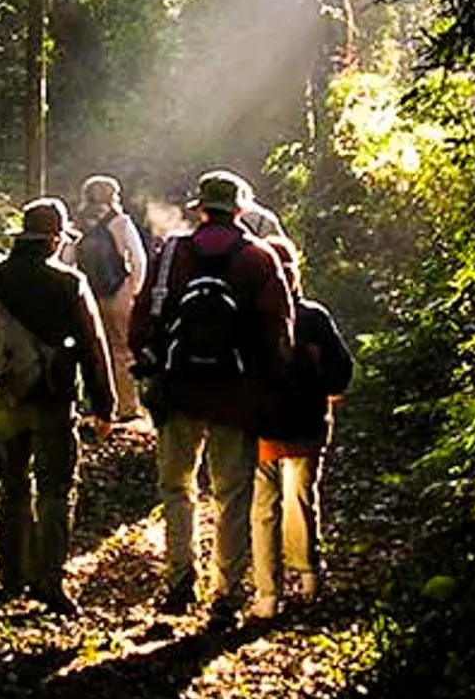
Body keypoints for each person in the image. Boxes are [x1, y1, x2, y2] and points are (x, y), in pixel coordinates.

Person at [131, 170, 295, 622]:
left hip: (178, 388)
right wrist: (271, 392)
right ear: (241, 209)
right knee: (233, 494)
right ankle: (225, 592)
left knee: (177, 487)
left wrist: (149, 367)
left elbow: (143, 318)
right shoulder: (260, 258)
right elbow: (279, 331)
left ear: (199, 208)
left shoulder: (171, 254)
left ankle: (180, 580)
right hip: (236, 396)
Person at [0, 198, 116, 617]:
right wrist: (103, 405)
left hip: (1, 400)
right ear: (56, 239)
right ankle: (50, 581)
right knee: (56, 489)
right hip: (53, 401)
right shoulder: (70, 282)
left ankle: (10, 576)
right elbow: (93, 347)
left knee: (13, 488)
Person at [248, 236, 353, 619]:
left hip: (261, 427)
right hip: (308, 424)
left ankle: (267, 595)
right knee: (303, 499)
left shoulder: (251, 316)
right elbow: (341, 372)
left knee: (264, 508)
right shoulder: (314, 316)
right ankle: (309, 577)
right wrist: (327, 391)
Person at [74, 175, 150, 421]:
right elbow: (138, 259)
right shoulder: (121, 222)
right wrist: (134, 288)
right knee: (122, 350)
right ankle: (127, 407)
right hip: (118, 291)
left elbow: (67, 258)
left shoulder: (78, 223)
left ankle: (95, 404)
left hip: (87, 292)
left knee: (92, 348)